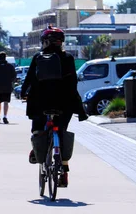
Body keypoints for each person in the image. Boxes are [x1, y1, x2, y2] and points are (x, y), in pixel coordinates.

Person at [20, 25, 88, 187]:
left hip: (41, 103)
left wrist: (24, 93)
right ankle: (64, 171)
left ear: (45, 42)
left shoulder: (38, 57)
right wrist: (77, 105)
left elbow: (29, 79)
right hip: (64, 104)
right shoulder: (68, 58)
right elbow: (72, 83)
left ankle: (37, 151)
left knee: (38, 128)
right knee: (61, 132)